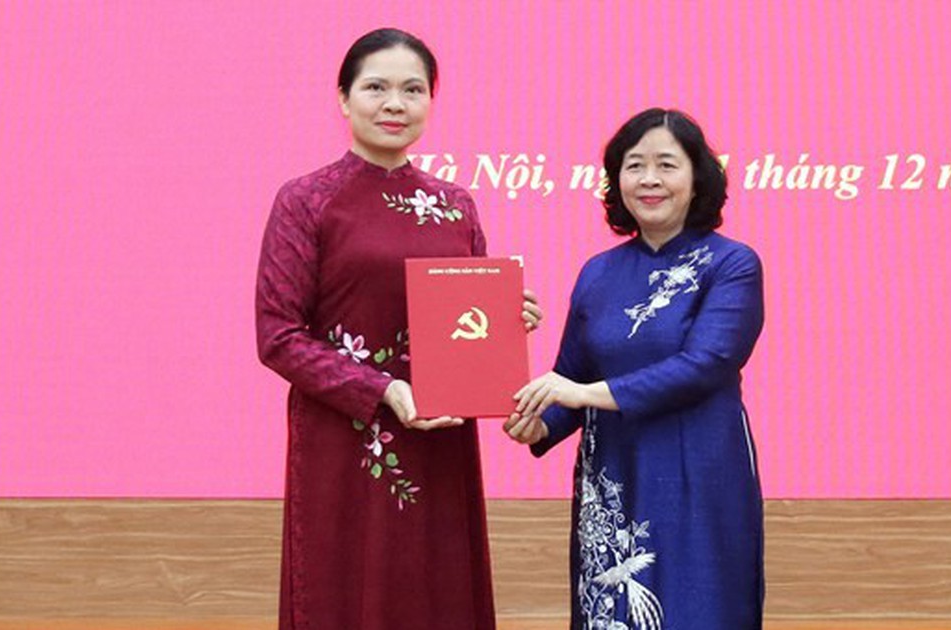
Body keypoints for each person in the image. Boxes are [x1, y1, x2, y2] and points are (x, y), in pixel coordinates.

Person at [256, 28, 540, 630]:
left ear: (431, 101)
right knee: (343, 591)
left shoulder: (456, 203)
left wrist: (507, 319)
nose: (395, 104)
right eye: (376, 88)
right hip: (344, 439)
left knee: (436, 593)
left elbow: (466, 319)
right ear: (343, 98)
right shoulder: (306, 200)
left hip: (441, 438)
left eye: (413, 90)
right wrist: (384, 390)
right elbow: (278, 335)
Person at [505, 108, 766, 629]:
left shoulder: (732, 264)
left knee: (700, 609)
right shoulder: (598, 272)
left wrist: (584, 395)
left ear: (698, 177)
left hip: (699, 470)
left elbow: (705, 364)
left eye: (666, 164)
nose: (649, 179)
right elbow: (572, 378)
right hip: (614, 474)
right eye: (634, 165)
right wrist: (539, 423)